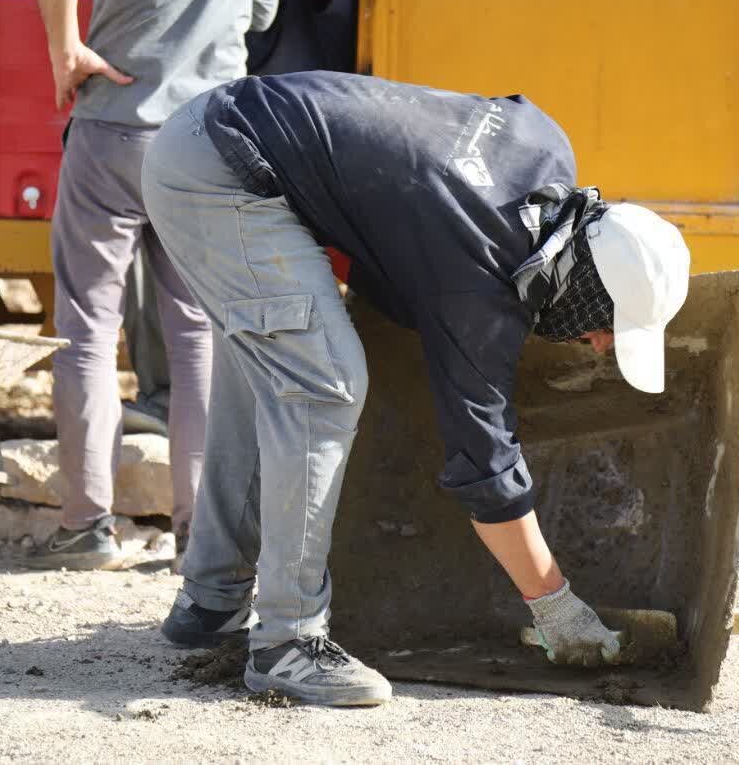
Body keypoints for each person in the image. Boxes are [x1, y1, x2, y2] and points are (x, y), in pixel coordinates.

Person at [143, 71, 691, 707]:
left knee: (271, 367)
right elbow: (484, 461)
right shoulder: (476, 272)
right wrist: (555, 604)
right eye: (605, 328)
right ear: (587, 285)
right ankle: (289, 642)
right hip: (223, 172)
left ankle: (210, 603)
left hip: (217, 131)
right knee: (323, 385)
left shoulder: (545, 150)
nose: (600, 346)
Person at [26, 0, 280, 569]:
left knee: (86, 326)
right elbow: (261, 9)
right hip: (208, 137)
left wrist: (66, 47)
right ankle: (200, 536)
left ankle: (86, 526)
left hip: (113, 126)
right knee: (198, 334)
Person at [121, 0, 357, 447]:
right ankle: (167, 399)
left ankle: (251, 412)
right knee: (151, 237)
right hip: (228, 134)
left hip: (296, 151)